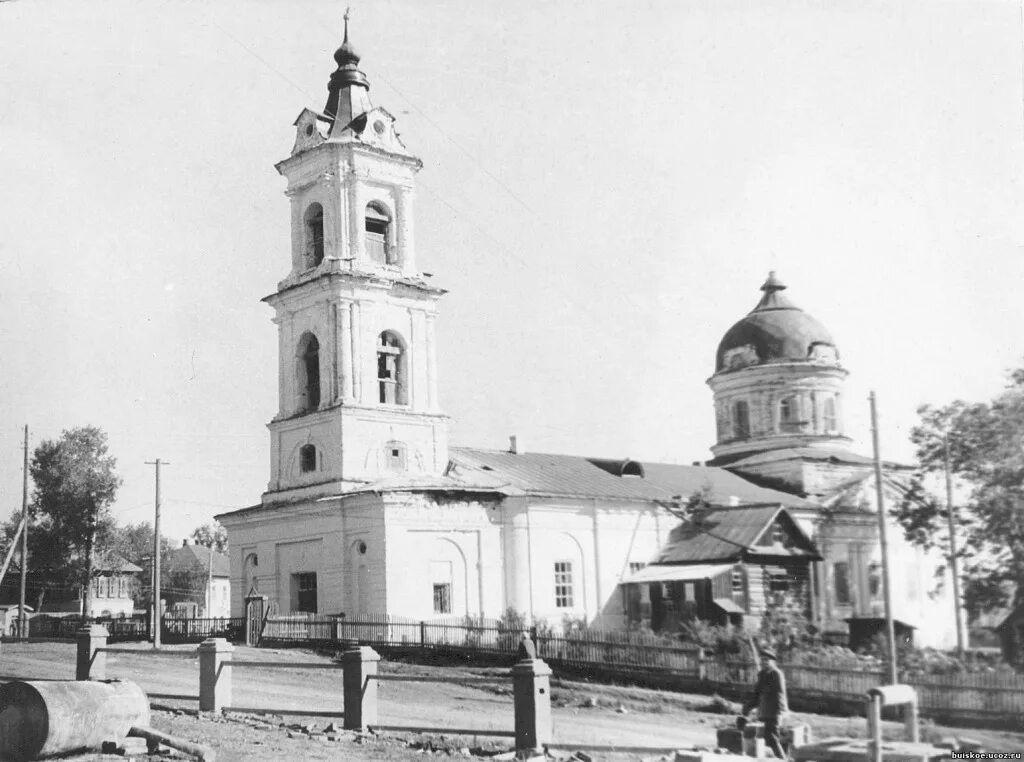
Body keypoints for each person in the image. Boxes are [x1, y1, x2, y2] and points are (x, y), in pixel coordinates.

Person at [741, 648, 789, 760]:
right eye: (762, 660)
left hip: (775, 711)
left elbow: (777, 694)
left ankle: (783, 759)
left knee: (772, 738)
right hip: (764, 711)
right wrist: (748, 706)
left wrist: (781, 712)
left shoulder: (776, 674)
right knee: (763, 738)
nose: (764, 662)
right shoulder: (762, 674)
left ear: (773, 662)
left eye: (767, 660)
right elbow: (757, 694)